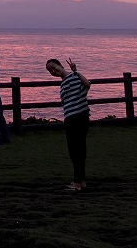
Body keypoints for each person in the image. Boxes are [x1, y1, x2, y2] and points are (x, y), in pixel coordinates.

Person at [46, 58, 91, 191]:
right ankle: (80, 181)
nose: (53, 71)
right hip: (71, 118)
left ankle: (78, 182)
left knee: (76, 149)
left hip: (79, 117)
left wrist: (76, 71)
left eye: (54, 67)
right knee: (77, 150)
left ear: (60, 65)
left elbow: (87, 84)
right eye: (50, 70)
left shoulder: (73, 76)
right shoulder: (63, 83)